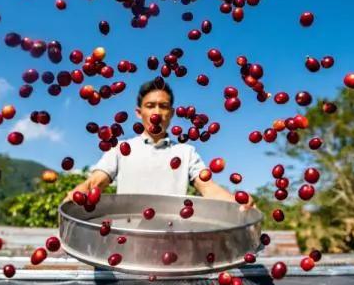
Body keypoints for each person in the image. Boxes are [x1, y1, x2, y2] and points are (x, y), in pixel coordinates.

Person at [65, 80, 254, 209]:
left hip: (172, 236)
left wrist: (236, 202)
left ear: (171, 113)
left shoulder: (185, 151)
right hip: (127, 236)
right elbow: (96, 181)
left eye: (163, 106)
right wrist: (79, 192)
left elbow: (207, 187)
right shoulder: (120, 149)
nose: (157, 112)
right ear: (139, 113)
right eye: (150, 106)